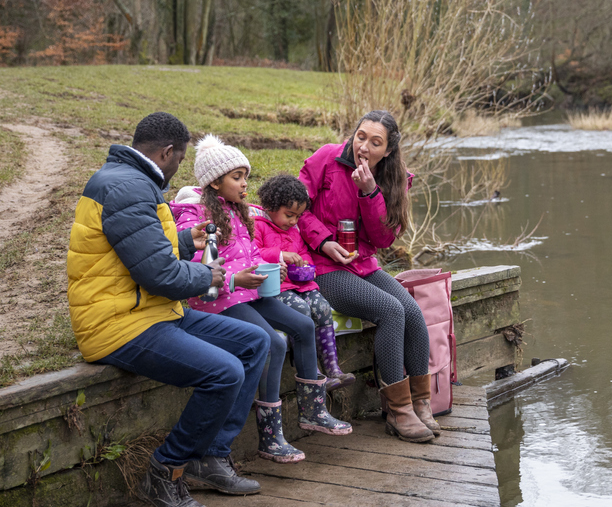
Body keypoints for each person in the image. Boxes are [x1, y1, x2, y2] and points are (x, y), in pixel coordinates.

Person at [66, 113, 269, 507]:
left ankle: (211, 456)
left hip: (148, 310)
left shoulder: (126, 180)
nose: (178, 168)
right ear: (167, 152)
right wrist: (211, 273)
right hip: (118, 322)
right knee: (225, 371)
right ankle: (165, 471)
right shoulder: (127, 187)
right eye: (179, 159)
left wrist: (181, 240)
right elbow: (157, 274)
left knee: (255, 341)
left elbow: (135, 247)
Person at [170, 135, 351, 465]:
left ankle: (313, 409)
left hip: (250, 292)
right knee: (274, 343)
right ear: (214, 181)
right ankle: (270, 436)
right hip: (220, 300)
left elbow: (250, 253)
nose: (244, 185)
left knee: (303, 324)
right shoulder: (198, 217)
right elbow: (199, 274)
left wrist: (271, 270)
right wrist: (235, 278)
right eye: (237, 178)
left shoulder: (239, 213)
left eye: (246, 177)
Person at [297, 109, 437, 443]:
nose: (364, 147)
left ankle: (421, 402)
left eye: (375, 143)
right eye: (361, 137)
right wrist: (324, 241)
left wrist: (369, 192)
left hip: (362, 263)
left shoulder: (394, 178)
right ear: (353, 134)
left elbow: (383, 239)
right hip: (324, 265)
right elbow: (295, 209)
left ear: (387, 151)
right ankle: (398, 411)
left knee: (413, 312)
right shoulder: (326, 160)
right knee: (390, 310)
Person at [253, 173, 357, 393]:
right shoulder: (258, 226)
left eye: (297, 216)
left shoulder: (294, 231)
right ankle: (314, 372)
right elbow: (254, 254)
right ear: (271, 206)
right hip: (278, 287)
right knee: (300, 310)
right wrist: (282, 255)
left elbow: (303, 254)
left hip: (301, 284)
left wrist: (306, 266)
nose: (293, 221)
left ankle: (333, 367)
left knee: (322, 307)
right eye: (289, 214)